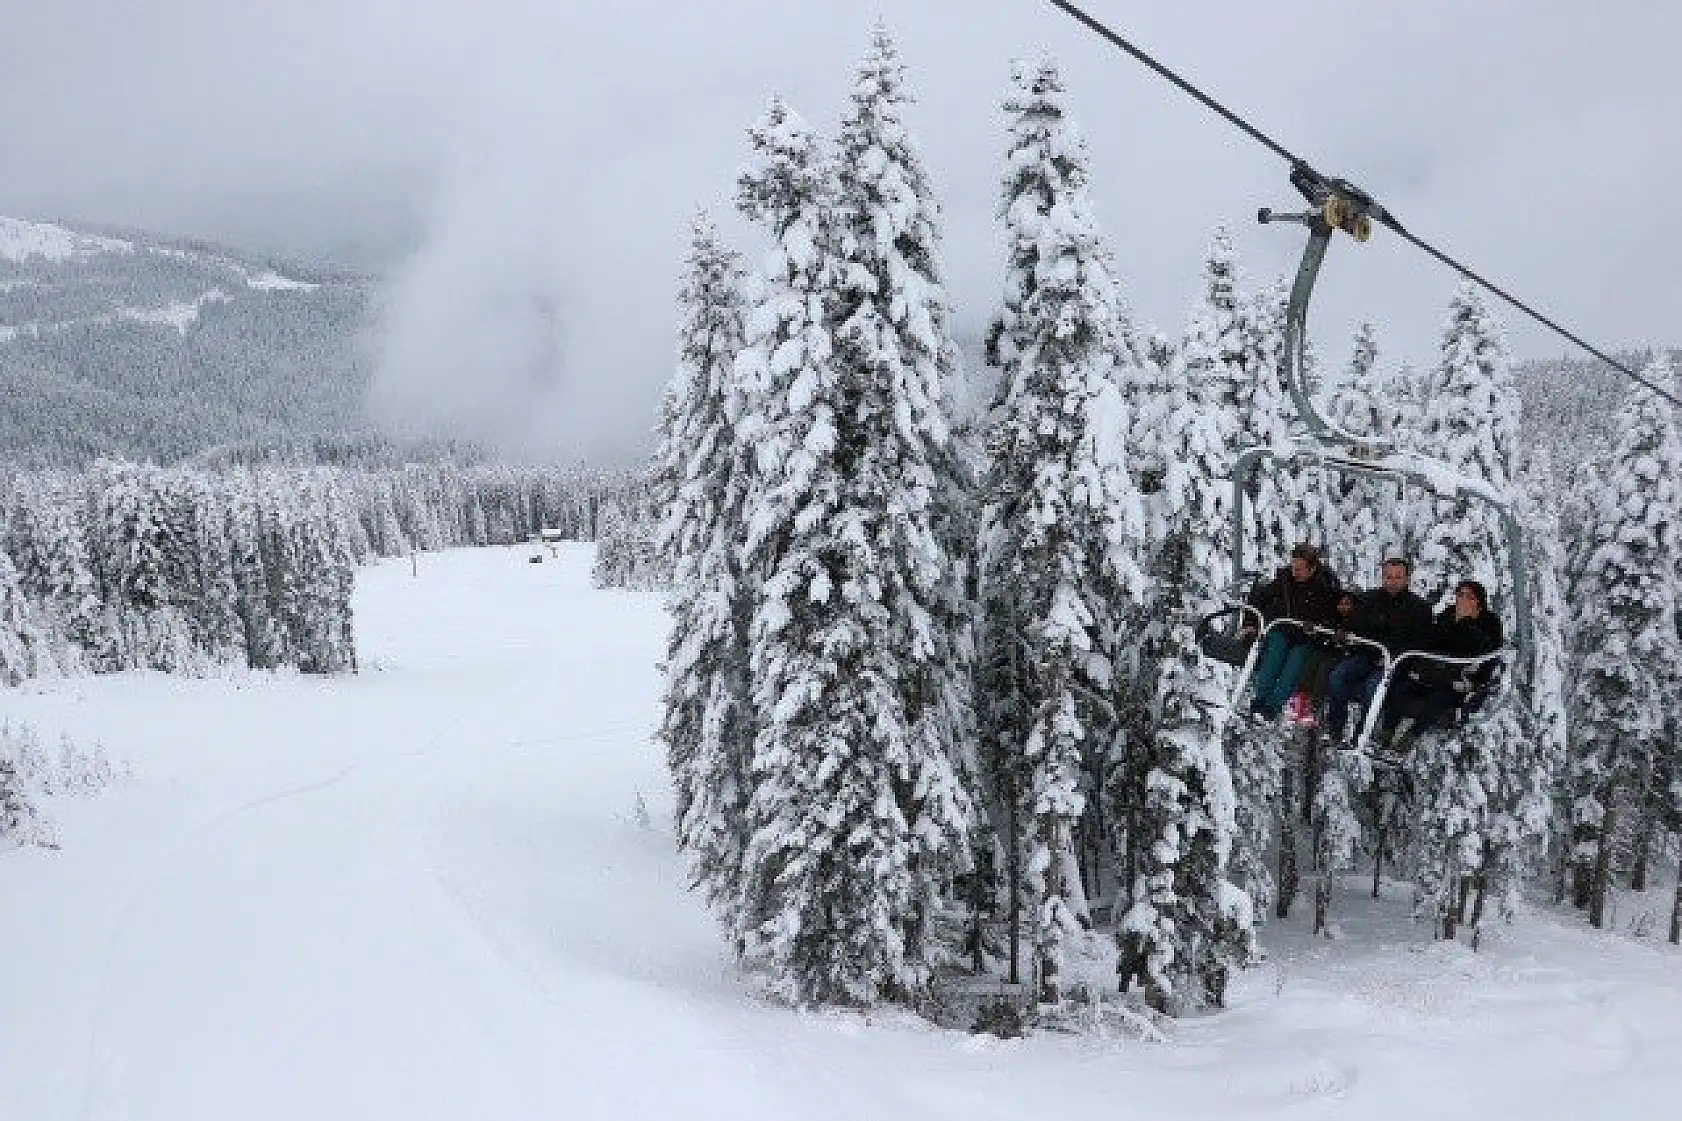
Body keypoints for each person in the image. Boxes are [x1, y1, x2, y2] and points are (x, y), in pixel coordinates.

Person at [1323, 558, 1434, 743]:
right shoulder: (1369, 599)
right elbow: (1354, 625)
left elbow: (1420, 642)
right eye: (1389, 577)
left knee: (1373, 685)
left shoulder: (1419, 609)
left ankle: (1362, 734)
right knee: (1337, 676)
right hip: (1367, 654)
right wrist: (1345, 634)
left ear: (1407, 579)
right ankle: (1335, 728)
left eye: (1398, 577)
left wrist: (1396, 656)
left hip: (1395, 662)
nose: (1393, 581)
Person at [1383, 578, 1504, 747]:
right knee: (1400, 689)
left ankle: (1408, 740)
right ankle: (1385, 735)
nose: (1462, 600)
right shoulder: (1448, 614)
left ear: (1478, 601)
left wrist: (1466, 623)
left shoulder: (1489, 622)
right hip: (1436, 670)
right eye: (1460, 595)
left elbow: (1487, 652)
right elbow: (1433, 639)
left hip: (1462, 676)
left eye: (1468, 596)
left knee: (1438, 700)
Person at [1243, 543, 1341, 720]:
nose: (1295, 573)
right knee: (1273, 656)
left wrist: (1317, 627)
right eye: (1294, 567)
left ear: (1312, 569)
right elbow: (1260, 598)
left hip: (1307, 638)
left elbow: (1334, 617)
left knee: (1295, 663)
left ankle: (1272, 707)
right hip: (1283, 628)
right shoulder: (1285, 581)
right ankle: (1259, 700)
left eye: (1300, 569)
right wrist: (1250, 622)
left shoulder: (1326, 588)